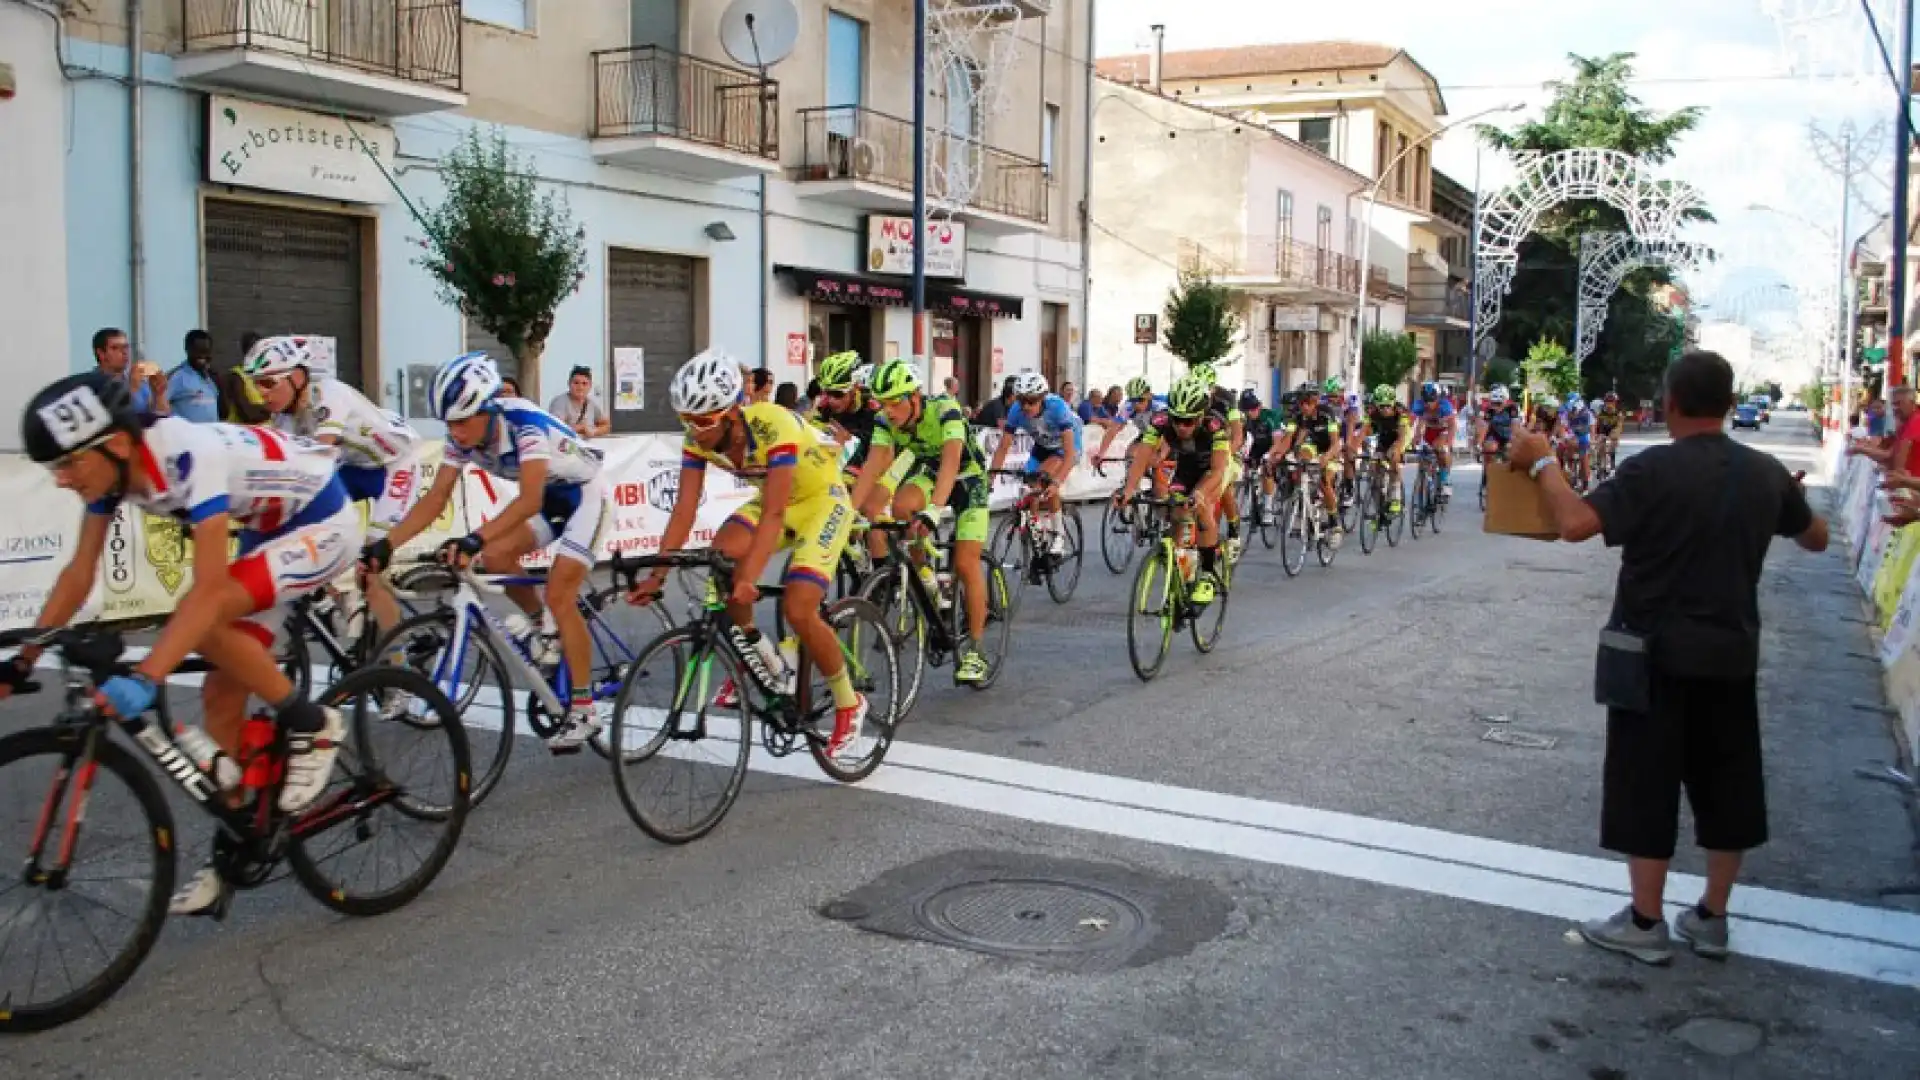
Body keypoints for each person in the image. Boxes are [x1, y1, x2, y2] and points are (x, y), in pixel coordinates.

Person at [1508, 349, 1828, 966]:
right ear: (1731, 405)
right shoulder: (1764, 473)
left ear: (1672, 402)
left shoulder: (1652, 470)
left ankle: (1646, 922)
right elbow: (1815, 537)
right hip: (1732, 653)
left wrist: (1543, 460)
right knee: (1729, 785)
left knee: (1645, 785)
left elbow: (1574, 524)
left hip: (1651, 654)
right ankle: (1712, 917)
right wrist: (1786, 501)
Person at [12, 371, 352, 917]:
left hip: (323, 523)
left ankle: (313, 724)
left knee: (207, 616)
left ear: (117, 443)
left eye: (69, 464)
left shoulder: (188, 455)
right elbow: (79, 574)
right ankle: (242, 838)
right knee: (221, 694)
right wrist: (22, 658)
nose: (61, 480)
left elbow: (210, 590)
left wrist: (148, 677)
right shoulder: (115, 473)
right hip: (269, 531)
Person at [627, 352, 868, 758]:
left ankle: (849, 702)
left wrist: (749, 577)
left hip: (821, 502)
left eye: (703, 421)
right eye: (685, 420)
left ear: (732, 412)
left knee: (799, 606)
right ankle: (764, 659)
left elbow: (774, 512)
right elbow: (684, 509)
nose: (694, 431)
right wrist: (657, 575)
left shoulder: (772, 423)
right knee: (722, 558)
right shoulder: (696, 438)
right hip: (774, 504)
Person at [369, 353, 608, 751]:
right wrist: (387, 543)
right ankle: (541, 633)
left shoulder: (524, 426)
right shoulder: (463, 438)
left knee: (560, 595)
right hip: (552, 498)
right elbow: (436, 498)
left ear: (488, 408)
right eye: (449, 424)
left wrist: (473, 538)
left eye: (462, 422)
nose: (456, 432)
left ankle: (584, 710)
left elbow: (528, 500)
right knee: (496, 558)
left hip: (585, 496)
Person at [243, 335, 420, 665]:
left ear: (298, 378)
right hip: (354, 466)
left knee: (370, 568)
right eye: (256, 386)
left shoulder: (327, 396)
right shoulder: (283, 419)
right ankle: (339, 602)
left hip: (394, 466)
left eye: (268, 383)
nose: (262, 394)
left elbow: (317, 462)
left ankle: (400, 668)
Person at [849, 358, 996, 685]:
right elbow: (874, 466)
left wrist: (934, 510)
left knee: (966, 562)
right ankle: (924, 574)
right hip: (930, 472)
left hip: (967, 479)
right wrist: (848, 513)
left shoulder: (945, 410)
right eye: (882, 403)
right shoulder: (885, 422)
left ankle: (976, 650)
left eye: (894, 403)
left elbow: (951, 460)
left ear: (915, 397)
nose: (888, 410)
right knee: (901, 507)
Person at [1113, 375, 1228, 603]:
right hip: (1186, 468)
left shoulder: (1215, 426)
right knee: (1177, 511)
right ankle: (1184, 570)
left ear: (1200, 417)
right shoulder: (1160, 421)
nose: (1180, 427)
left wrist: (1200, 493)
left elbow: (1217, 471)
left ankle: (1207, 574)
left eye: (1188, 422)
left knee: (1201, 505)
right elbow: (1142, 456)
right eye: (1177, 420)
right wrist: (1128, 490)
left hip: (1211, 471)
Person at [988, 371, 1083, 555]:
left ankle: (1059, 534)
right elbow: (1003, 447)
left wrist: (1057, 482)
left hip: (1066, 447)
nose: (1025, 406)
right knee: (1030, 489)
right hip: (1042, 446)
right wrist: (991, 476)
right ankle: (1038, 536)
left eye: (1031, 401)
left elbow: (1070, 453)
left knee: (1044, 478)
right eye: (1021, 400)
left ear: (1042, 398)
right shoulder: (1016, 411)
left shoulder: (1057, 408)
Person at [1269, 381, 1343, 541]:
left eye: (1307, 403)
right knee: (1301, 457)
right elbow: (1287, 439)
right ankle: (1302, 505)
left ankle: (1334, 522)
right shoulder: (1298, 416)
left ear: (1315, 401)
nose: (1304, 406)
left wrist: (1327, 457)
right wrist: (1276, 455)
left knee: (1325, 481)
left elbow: (1336, 443)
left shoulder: (1327, 414)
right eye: (1301, 402)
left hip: (1330, 450)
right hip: (1313, 447)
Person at [91, 327, 168, 416]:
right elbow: (110, 418)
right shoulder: (92, 384)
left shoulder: (139, 381)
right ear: (101, 353)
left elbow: (163, 416)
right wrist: (132, 388)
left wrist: (159, 394)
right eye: (115, 348)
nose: (124, 352)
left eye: (126, 347)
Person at [1363, 384, 1413, 514]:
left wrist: (1396, 449)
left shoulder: (1401, 412)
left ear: (1393, 403)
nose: (1385, 409)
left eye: (1388, 405)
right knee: (1374, 469)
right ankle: (1379, 509)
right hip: (1384, 436)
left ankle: (1395, 496)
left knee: (1393, 455)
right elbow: (1363, 433)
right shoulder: (1371, 412)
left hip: (1401, 435)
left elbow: (1401, 437)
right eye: (1381, 406)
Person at [1851, 385, 1919, 475]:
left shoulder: (1915, 421)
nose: (1895, 408)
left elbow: (1894, 460)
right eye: (1893, 404)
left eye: (1899, 403)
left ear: (1912, 403)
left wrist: (1862, 449)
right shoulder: (1905, 423)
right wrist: (1864, 448)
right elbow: (1890, 454)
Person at [1409, 381, 1456, 497]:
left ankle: (1445, 480)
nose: (1429, 403)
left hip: (1443, 431)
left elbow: (1453, 425)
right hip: (1429, 431)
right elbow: (1418, 420)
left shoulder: (1445, 405)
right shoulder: (1419, 404)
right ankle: (1425, 480)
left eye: (1432, 400)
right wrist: (1416, 436)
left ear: (1438, 398)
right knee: (1423, 458)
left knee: (1440, 450)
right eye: (1426, 400)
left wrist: (1448, 443)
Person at [167, 329, 224, 424]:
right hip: (187, 436)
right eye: (197, 350)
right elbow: (159, 406)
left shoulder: (211, 377)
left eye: (206, 351)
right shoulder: (177, 376)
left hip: (211, 435)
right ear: (187, 349)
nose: (202, 355)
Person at [548, 365, 611, 439]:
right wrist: (581, 428)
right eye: (576, 383)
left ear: (590, 386)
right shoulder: (559, 402)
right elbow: (556, 428)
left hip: (587, 447)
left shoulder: (592, 404)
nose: (580, 387)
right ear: (569, 383)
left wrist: (594, 431)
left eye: (584, 384)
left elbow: (606, 425)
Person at [224, 332, 270, 424]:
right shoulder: (236, 376)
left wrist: (260, 408)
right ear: (245, 351)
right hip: (243, 435)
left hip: (263, 434)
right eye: (253, 350)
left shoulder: (266, 375)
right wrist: (271, 411)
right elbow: (248, 414)